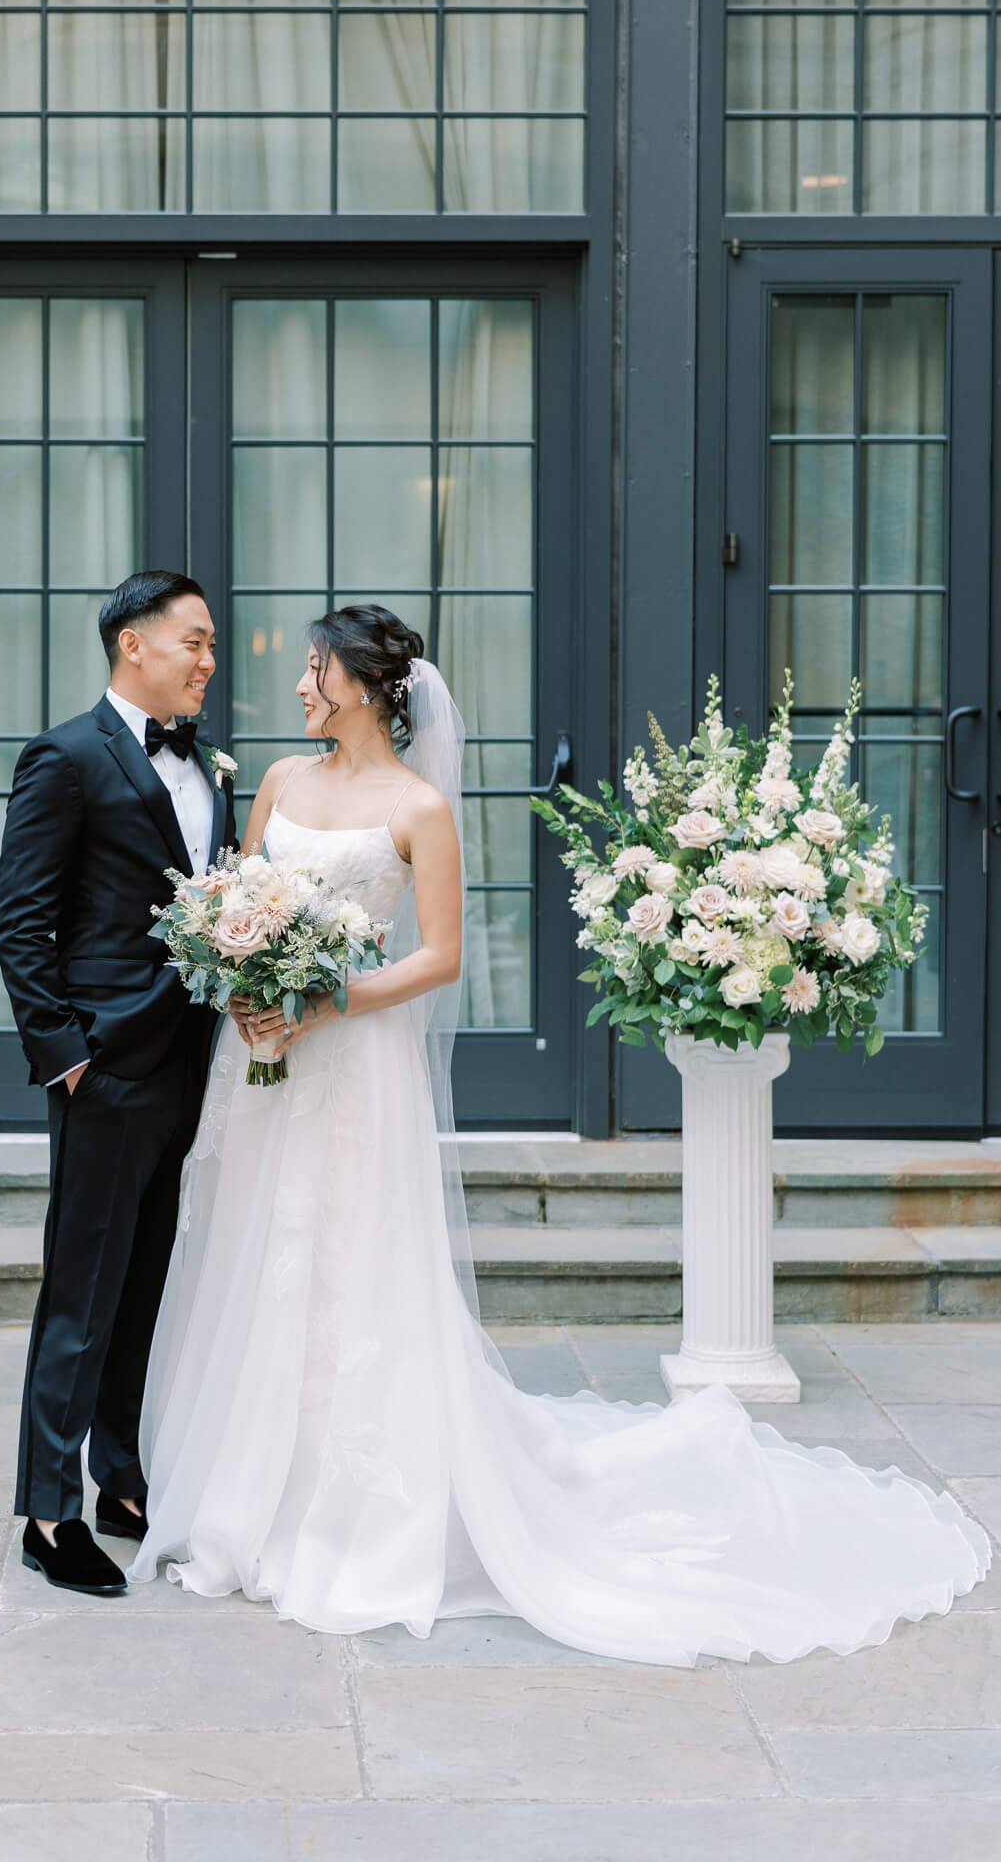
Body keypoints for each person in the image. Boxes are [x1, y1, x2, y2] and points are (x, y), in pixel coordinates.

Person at [126, 602, 991, 1664]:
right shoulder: (279, 783)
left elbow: (438, 955)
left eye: (314, 670)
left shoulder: (416, 806)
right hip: (267, 1058)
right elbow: (238, 897)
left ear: (360, 684)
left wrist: (328, 999)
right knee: (261, 1253)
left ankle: (358, 1504)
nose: (299, 685)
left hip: (355, 1062)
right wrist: (249, 981)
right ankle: (248, 1491)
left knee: (353, 1263)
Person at [0, 571, 236, 1597]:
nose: (207, 659)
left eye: (212, 643)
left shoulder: (215, 769)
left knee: (144, 1283)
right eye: (194, 640)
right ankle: (48, 1512)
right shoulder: (65, 756)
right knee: (81, 1290)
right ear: (133, 644)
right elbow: (21, 924)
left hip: (190, 1064)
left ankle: (120, 1477)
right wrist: (68, 1056)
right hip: (104, 1068)